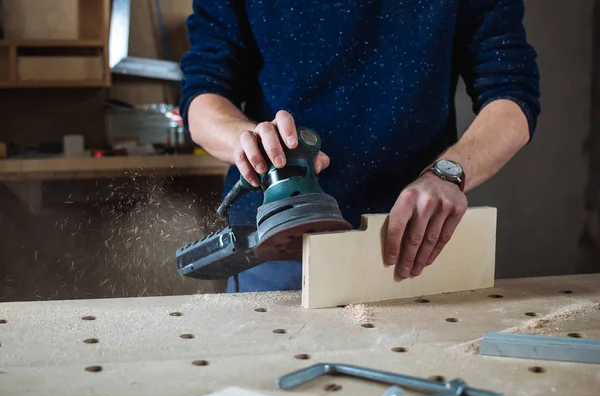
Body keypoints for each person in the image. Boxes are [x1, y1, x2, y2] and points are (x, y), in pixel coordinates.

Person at [179, 0, 541, 293]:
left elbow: (511, 95)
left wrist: (448, 174)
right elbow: (203, 97)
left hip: (411, 243)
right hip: (278, 245)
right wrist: (251, 144)